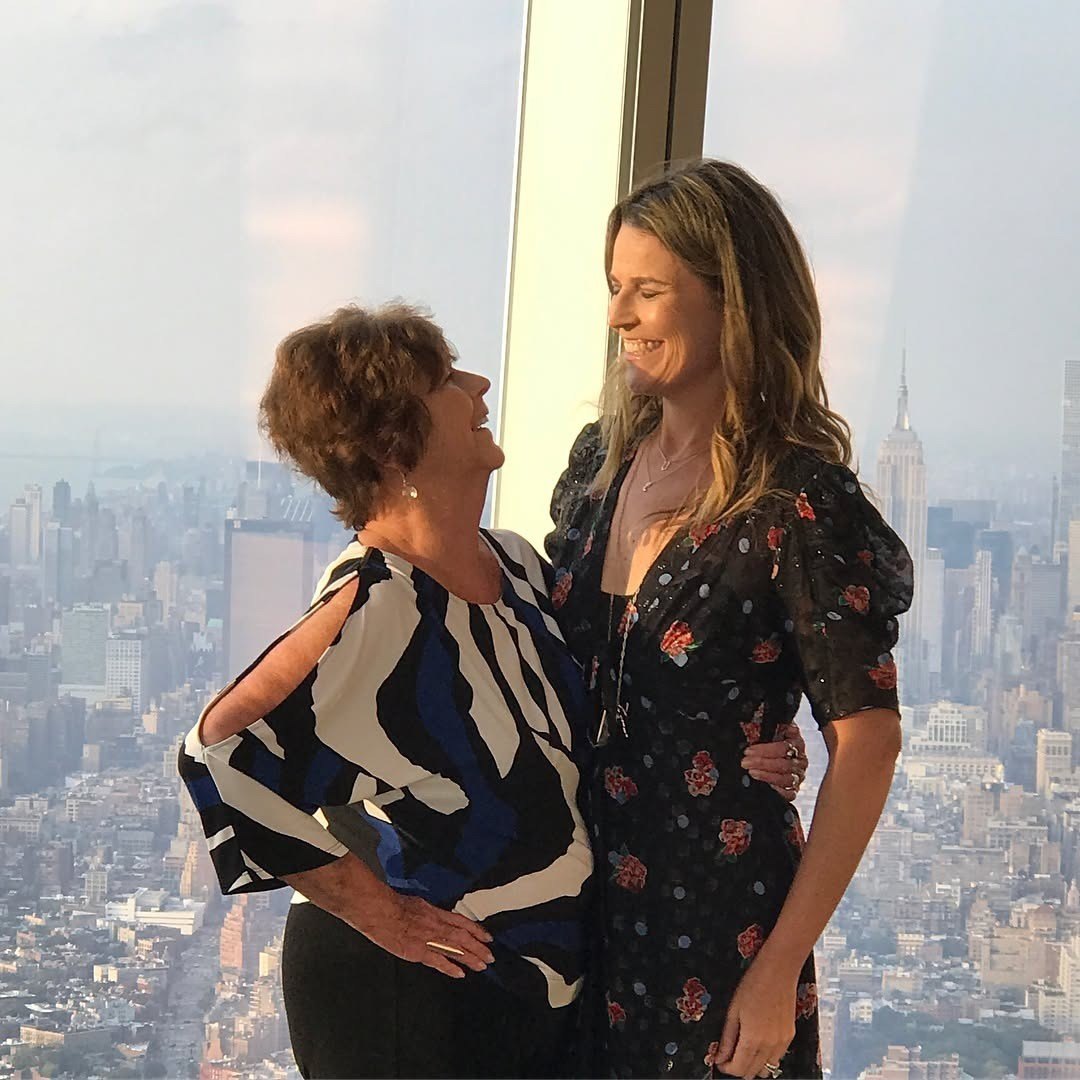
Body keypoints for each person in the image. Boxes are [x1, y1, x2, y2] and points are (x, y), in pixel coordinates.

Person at [546, 160, 914, 1080]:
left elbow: (868, 742)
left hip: (716, 928)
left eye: (649, 291)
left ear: (732, 301)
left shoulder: (799, 500)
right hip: (572, 919)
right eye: (614, 288)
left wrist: (776, 971)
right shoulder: (601, 463)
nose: (618, 316)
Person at [177, 303, 595, 1079]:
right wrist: (381, 913)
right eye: (445, 380)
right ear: (393, 444)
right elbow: (220, 755)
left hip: (516, 990)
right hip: (407, 999)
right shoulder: (377, 607)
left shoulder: (518, 569)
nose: (478, 384)